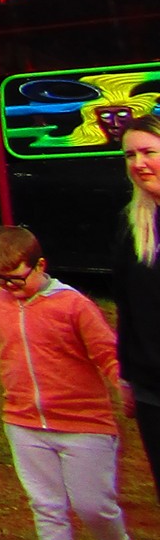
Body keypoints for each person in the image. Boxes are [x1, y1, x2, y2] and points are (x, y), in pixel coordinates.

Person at [0, 223, 149, 540]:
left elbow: (107, 352)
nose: (7, 288)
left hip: (84, 424)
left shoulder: (74, 305)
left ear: (40, 265)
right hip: (24, 423)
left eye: (16, 279)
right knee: (46, 505)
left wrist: (124, 387)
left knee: (93, 505)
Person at [116, 114, 160, 498]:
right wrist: (127, 376)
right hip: (151, 387)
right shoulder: (132, 225)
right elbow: (127, 307)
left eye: (148, 152)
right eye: (130, 155)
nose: (138, 164)